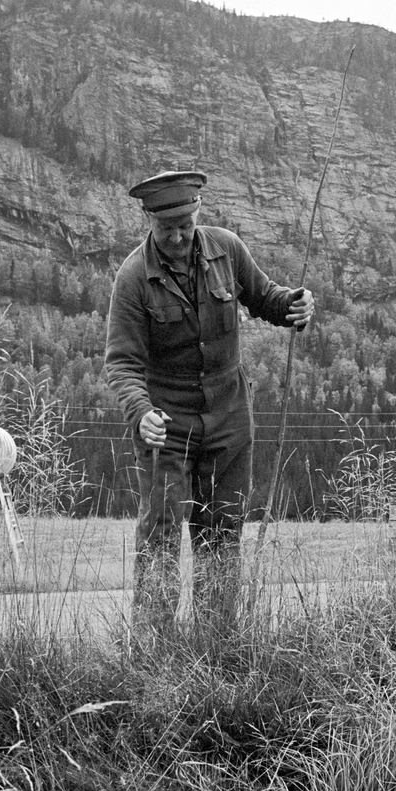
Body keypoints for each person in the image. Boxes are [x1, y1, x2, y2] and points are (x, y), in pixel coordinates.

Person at [104, 170, 315, 636]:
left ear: (198, 213)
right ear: (149, 222)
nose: (178, 236)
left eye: (186, 224)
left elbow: (265, 299)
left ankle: (218, 642)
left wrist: (294, 305)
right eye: (167, 228)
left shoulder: (227, 248)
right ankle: (154, 648)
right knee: (160, 535)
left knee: (222, 532)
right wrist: (142, 415)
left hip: (229, 416)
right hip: (166, 422)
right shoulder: (134, 277)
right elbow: (121, 364)